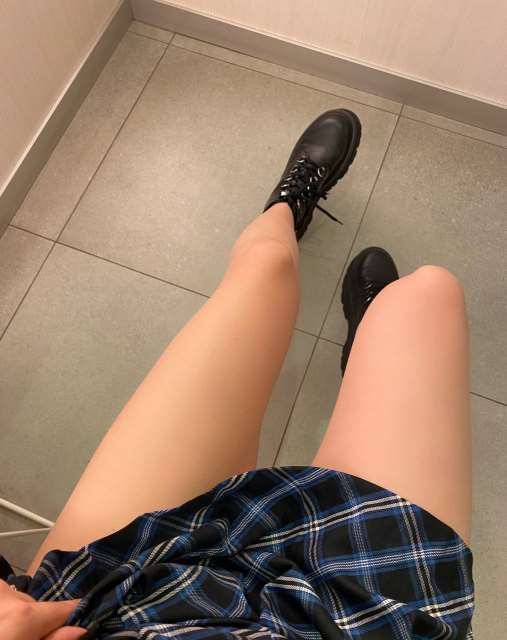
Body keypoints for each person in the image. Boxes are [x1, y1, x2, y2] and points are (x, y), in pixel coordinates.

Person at [0, 110, 473, 639]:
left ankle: (287, 208)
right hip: (344, 628)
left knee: (267, 264)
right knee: (427, 296)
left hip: (104, 598)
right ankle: (369, 342)